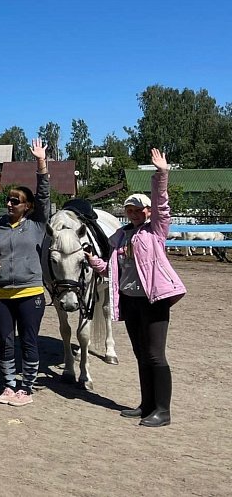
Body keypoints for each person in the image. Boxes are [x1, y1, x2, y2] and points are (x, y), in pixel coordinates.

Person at [88, 148, 185, 427]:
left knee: (155, 354)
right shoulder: (120, 236)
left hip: (153, 300)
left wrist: (161, 174)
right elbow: (113, 270)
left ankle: (162, 410)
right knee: (141, 354)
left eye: (138, 210)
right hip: (129, 301)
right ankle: (146, 405)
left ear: (147, 211)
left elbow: (162, 204)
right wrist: (93, 261)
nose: (133, 214)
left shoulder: (155, 230)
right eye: (129, 210)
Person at [0, 138, 51, 407]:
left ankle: (28, 388)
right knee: (5, 341)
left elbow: (45, 193)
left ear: (27, 206)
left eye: (16, 201)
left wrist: (41, 163)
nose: (10, 204)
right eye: (8, 200)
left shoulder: (37, 223)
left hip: (30, 292)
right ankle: (10, 385)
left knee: (29, 340)